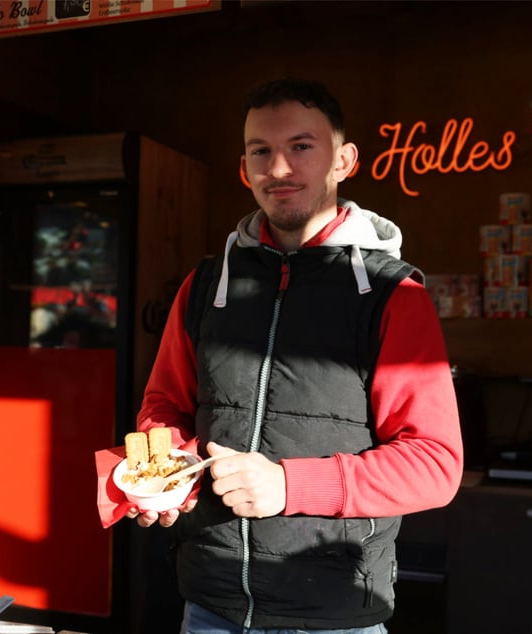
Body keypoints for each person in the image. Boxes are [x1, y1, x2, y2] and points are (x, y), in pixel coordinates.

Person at [131, 78, 463, 633]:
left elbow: (435, 464)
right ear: (244, 168)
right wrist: (170, 472)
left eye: (301, 147)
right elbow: (164, 406)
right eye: (261, 151)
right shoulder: (205, 285)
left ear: (343, 160)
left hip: (335, 616)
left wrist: (288, 485)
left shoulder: (392, 295)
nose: (279, 168)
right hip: (210, 608)